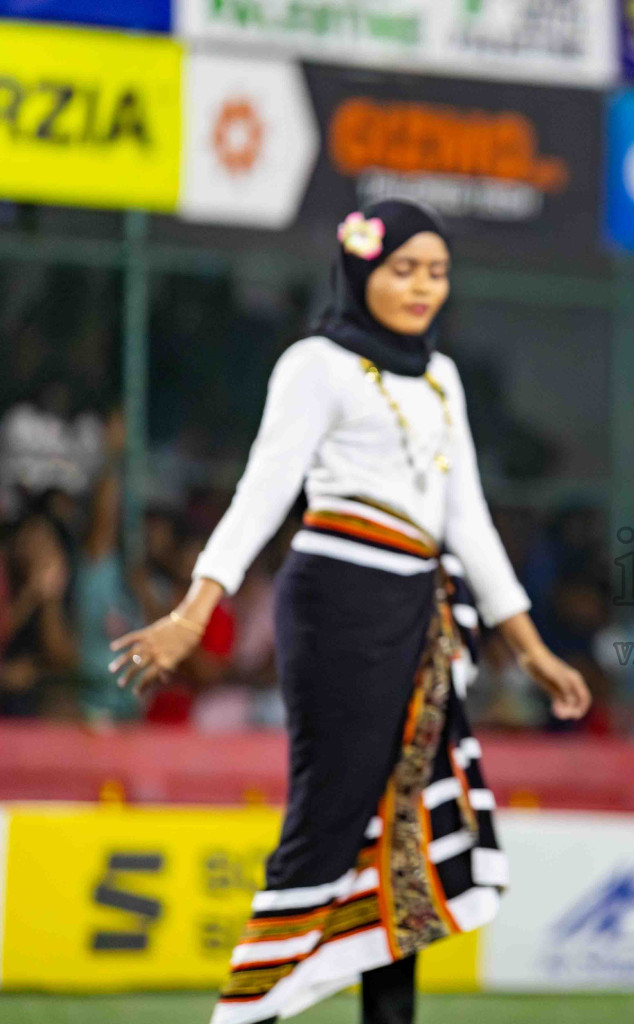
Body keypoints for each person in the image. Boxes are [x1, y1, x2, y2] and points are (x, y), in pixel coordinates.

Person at [109, 199, 591, 1024]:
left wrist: (530, 643)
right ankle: (248, 1011)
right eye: (403, 269)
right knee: (330, 811)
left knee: (402, 821)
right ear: (363, 270)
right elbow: (262, 494)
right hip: (335, 598)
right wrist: (197, 608)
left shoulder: (441, 376)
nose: (421, 288)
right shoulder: (316, 364)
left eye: (436, 272)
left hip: (418, 606)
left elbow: (465, 515)